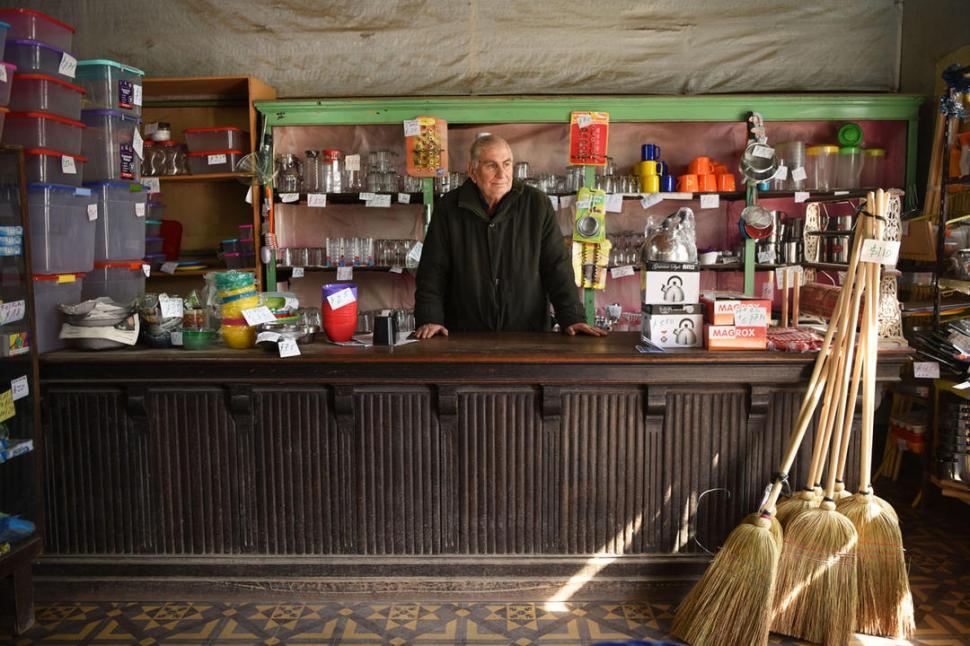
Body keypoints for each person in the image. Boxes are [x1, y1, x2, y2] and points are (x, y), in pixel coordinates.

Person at [414, 134, 606, 339]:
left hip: (528, 332)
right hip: (464, 332)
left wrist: (572, 317)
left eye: (506, 164)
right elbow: (433, 270)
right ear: (472, 170)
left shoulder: (536, 204)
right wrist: (430, 317)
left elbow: (556, 265)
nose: (501, 174)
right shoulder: (449, 207)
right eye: (491, 166)